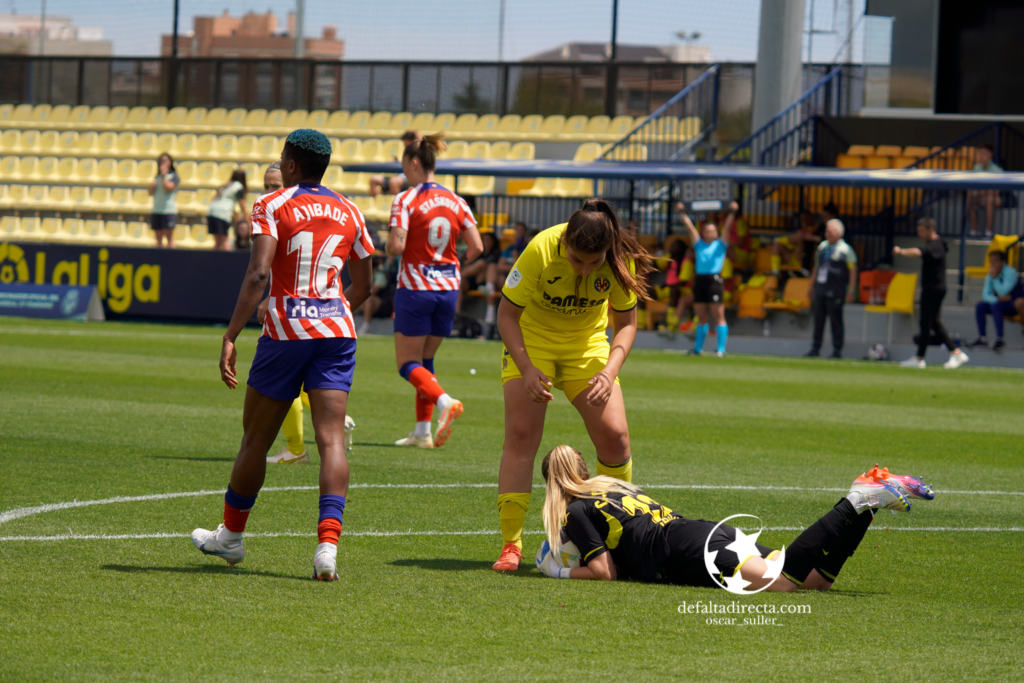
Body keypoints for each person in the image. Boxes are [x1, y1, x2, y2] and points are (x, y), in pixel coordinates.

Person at [190, 129, 375, 582]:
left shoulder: (271, 205)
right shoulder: (350, 210)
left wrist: (231, 334)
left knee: (255, 440)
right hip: (336, 330)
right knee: (330, 439)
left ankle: (230, 539)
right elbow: (367, 285)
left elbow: (257, 276)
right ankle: (327, 548)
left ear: (290, 165)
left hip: (286, 332)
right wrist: (329, 312)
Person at [492, 198, 653, 571]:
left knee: (616, 436)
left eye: (592, 263)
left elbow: (626, 324)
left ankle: (617, 534)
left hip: (587, 347)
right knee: (520, 435)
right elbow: (506, 314)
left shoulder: (618, 259)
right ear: (565, 242)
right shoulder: (541, 249)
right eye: (576, 259)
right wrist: (527, 368)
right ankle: (511, 545)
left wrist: (609, 371)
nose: (583, 269)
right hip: (533, 341)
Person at [535, 445, 934, 589]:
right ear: (583, 470)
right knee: (814, 581)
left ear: (551, 485)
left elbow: (605, 572)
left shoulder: (574, 509)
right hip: (697, 532)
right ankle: (870, 502)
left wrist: (558, 571)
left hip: (684, 551)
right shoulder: (611, 485)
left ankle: (855, 499)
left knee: (782, 584)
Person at [386, 133, 483, 449]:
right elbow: (477, 246)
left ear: (414, 163)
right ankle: (422, 432)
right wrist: (452, 264)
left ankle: (445, 403)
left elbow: (397, 247)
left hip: (416, 289)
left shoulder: (405, 199)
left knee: (406, 364)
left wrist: (387, 243)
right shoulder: (457, 200)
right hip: (448, 290)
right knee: (425, 361)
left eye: (405, 167)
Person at [893, 217, 969, 369]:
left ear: (931, 230)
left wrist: (901, 251)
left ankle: (923, 358)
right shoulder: (935, 245)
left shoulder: (936, 245)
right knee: (933, 323)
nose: (919, 233)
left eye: (922, 230)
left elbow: (918, 252)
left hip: (934, 289)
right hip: (932, 288)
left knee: (926, 323)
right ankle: (953, 353)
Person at [677, 202, 733, 357]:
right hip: (700, 280)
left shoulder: (720, 245)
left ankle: (721, 349)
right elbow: (690, 228)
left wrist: (732, 213)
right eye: (707, 231)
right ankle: (697, 348)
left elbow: (727, 228)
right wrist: (682, 213)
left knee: (718, 315)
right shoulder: (699, 245)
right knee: (701, 316)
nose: (709, 233)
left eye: (712, 231)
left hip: (714, 281)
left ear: (716, 233)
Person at [805, 218, 858, 358]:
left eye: (830, 231)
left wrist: (851, 290)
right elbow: (816, 266)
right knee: (818, 320)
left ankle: (837, 350)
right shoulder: (822, 247)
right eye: (826, 231)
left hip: (836, 291)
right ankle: (815, 348)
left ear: (839, 233)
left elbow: (853, 270)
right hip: (821, 289)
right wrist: (811, 285)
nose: (827, 234)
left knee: (836, 321)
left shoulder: (846, 250)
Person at [969, 250, 1024, 351]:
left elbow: (1003, 291)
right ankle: (983, 338)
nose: (993, 263)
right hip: (1000, 303)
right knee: (980, 306)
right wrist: (997, 299)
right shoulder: (991, 273)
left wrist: (994, 277)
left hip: (1014, 304)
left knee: (996, 306)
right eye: (991, 261)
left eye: (996, 260)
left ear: (1003, 262)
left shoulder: (1010, 272)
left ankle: (1000, 339)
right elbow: (985, 295)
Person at [457, 228, 502, 323]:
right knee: (459, 283)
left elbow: (499, 267)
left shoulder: (497, 253)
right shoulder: (478, 253)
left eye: (488, 240)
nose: (486, 242)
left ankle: (457, 273)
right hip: (473, 279)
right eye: (484, 240)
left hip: (486, 280)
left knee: (487, 265)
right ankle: (456, 315)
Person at [356, 254, 399, 336]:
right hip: (366, 304)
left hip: (383, 304)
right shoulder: (363, 275)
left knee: (368, 298)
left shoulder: (381, 273)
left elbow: (373, 291)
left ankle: (366, 325)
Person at [206, 168, 247, 251]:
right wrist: (247, 221)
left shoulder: (226, 185)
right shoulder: (238, 186)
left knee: (217, 242)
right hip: (221, 214)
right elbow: (242, 205)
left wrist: (236, 218)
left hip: (211, 212)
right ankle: (229, 262)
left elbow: (228, 205)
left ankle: (211, 261)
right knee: (225, 240)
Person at [370, 130, 421, 197]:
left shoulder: (419, 151)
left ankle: (399, 204)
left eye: (407, 144)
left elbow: (422, 142)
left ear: (413, 141)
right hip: (398, 176)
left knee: (393, 182)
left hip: (408, 177)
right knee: (373, 179)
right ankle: (378, 203)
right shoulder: (405, 152)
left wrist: (415, 133)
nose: (405, 146)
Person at [968, 143, 1003, 238]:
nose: (981, 156)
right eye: (979, 153)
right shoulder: (976, 168)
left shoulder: (997, 170)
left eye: (984, 153)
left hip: (994, 198)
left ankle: (988, 231)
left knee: (989, 199)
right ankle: (973, 230)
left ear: (990, 155)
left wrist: (982, 191)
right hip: (979, 197)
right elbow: (973, 184)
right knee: (971, 199)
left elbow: (996, 191)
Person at [771, 210, 821, 274]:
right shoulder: (801, 232)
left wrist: (811, 238)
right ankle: (775, 273)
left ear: (811, 218)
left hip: (807, 261)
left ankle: (804, 270)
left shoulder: (818, 230)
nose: (803, 221)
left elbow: (820, 239)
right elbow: (791, 240)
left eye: (805, 218)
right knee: (776, 245)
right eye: (802, 219)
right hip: (793, 258)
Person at [148, 152, 180, 249]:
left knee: (169, 239)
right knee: (158, 240)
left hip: (168, 210)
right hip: (157, 209)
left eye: (165, 160)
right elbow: (150, 193)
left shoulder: (174, 176)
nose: (163, 163)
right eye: (161, 161)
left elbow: (168, 188)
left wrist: (163, 176)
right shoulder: (156, 177)